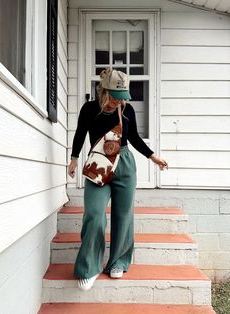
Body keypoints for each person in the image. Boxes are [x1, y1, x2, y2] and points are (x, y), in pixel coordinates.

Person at [68, 68, 168, 291]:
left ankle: (118, 262)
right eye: (114, 96)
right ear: (103, 91)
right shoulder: (89, 109)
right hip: (99, 164)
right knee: (94, 214)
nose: (117, 102)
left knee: (123, 216)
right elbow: (80, 133)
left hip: (124, 164)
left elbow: (133, 138)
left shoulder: (127, 109)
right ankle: (88, 267)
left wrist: (153, 157)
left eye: (120, 98)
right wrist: (74, 159)